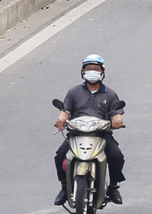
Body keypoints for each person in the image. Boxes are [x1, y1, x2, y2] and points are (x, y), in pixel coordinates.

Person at [54, 54, 125, 204]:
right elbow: (65, 111)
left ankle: (113, 187)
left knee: (116, 156)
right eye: (89, 69)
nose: (92, 71)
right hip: (76, 134)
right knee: (60, 154)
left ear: (102, 72)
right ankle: (64, 186)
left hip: (101, 135)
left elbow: (117, 114)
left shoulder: (110, 94)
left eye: (96, 69)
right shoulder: (74, 92)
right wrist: (61, 119)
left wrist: (117, 121)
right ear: (83, 71)